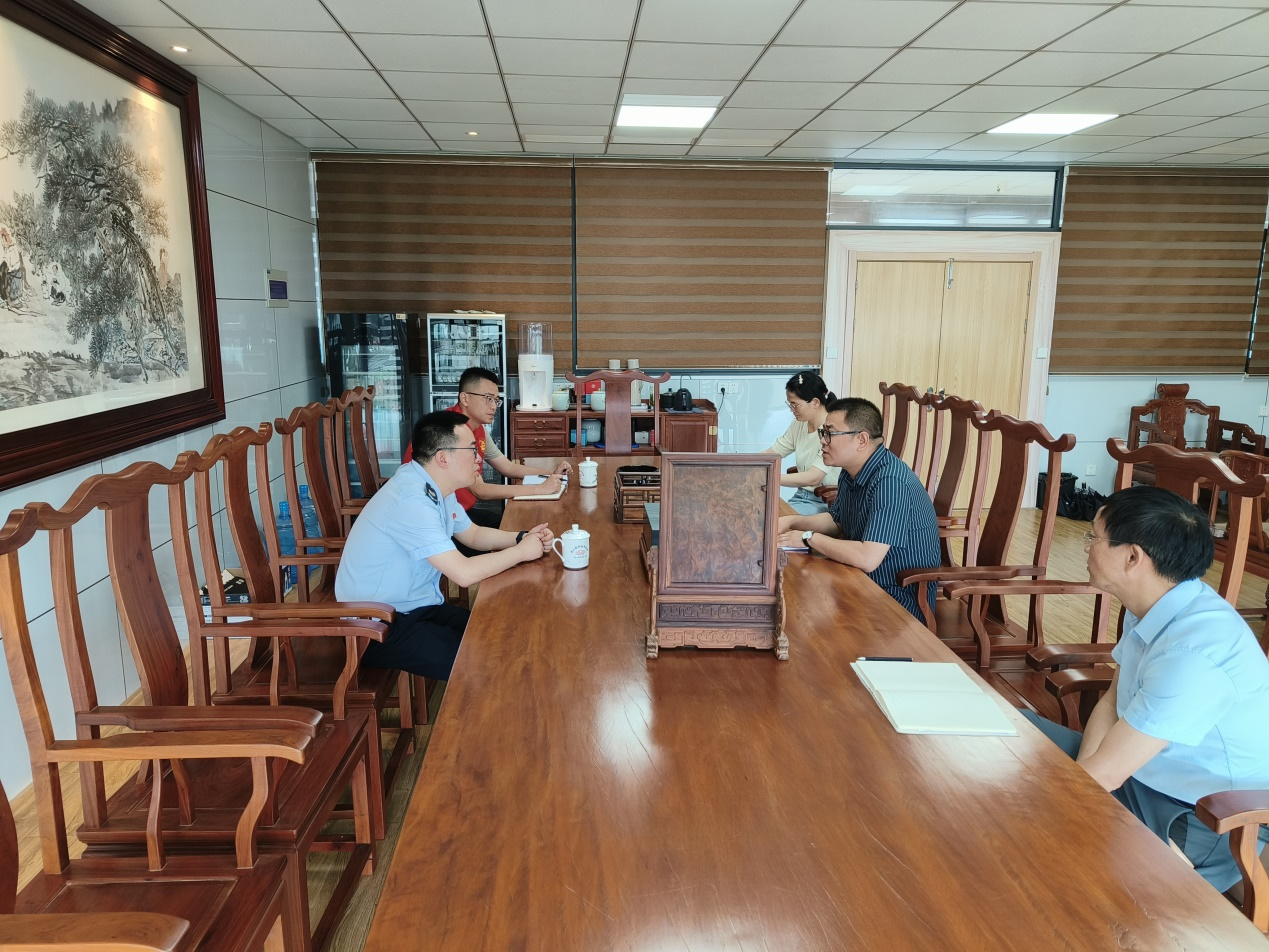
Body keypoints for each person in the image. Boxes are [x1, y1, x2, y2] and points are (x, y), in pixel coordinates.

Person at [1021, 485, 1269, 894]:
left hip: (1199, 817)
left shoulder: (1194, 654)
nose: (1086, 546)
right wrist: (1084, 778)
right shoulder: (1156, 605)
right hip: (1139, 773)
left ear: (1133, 557)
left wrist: (1068, 797)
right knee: (1014, 731)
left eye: (1093, 537)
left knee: (1034, 843)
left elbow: (1109, 772)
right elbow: (1112, 703)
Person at [335, 410, 555, 680]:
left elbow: (472, 534)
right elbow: (463, 573)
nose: (479, 458)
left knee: (500, 634)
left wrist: (521, 537)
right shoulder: (411, 499)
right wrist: (521, 552)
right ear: (442, 458)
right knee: (485, 662)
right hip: (375, 626)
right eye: (472, 450)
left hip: (415, 608)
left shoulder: (435, 485)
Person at [776, 397, 939, 620]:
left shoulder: (890, 482)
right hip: (859, 582)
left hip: (895, 602)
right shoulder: (850, 470)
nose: (822, 441)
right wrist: (791, 521)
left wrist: (807, 537)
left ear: (861, 440)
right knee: (794, 596)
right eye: (823, 433)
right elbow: (837, 521)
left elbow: (867, 558)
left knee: (800, 610)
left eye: (829, 433)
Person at [404, 367, 572, 531]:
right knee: (516, 532)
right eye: (487, 398)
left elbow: (507, 467)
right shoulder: (450, 432)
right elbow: (481, 490)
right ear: (465, 398)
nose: (493, 406)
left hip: (459, 513)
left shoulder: (478, 429)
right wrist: (539, 489)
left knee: (519, 529)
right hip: (434, 521)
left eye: (496, 400)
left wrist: (551, 473)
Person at [764, 371, 842, 515]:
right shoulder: (799, 424)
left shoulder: (832, 431)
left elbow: (813, 477)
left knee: (770, 521)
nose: (792, 410)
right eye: (790, 404)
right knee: (760, 514)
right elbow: (773, 452)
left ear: (815, 403)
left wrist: (768, 478)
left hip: (824, 501)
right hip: (802, 497)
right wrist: (745, 464)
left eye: (795, 405)